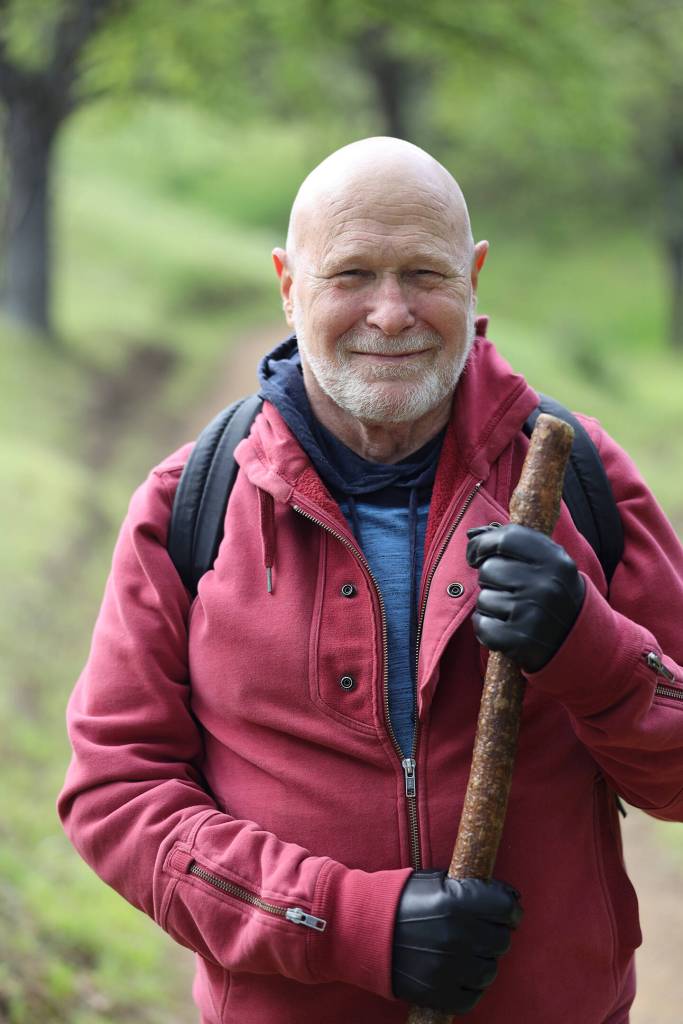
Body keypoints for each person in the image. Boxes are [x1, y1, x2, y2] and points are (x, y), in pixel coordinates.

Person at [58, 137, 683, 1024]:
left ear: (474, 277)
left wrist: (589, 648)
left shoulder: (576, 477)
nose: (390, 314)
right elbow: (117, 798)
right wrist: (349, 925)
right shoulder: (188, 504)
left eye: (424, 274)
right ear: (286, 283)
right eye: (350, 274)